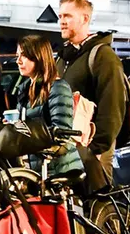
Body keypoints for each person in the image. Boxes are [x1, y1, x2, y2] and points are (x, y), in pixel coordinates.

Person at [55, 0, 127, 180]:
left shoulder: (103, 57)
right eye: (60, 16)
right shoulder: (64, 58)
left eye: (68, 16)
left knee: (97, 205)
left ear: (85, 19)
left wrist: (96, 148)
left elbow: (113, 106)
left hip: (92, 149)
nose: (61, 21)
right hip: (68, 148)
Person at [15, 35, 84, 177]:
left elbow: (62, 131)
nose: (18, 61)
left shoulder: (58, 87)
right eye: (17, 56)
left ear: (38, 56)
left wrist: (27, 132)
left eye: (24, 56)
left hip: (60, 168)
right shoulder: (25, 90)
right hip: (37, 168)